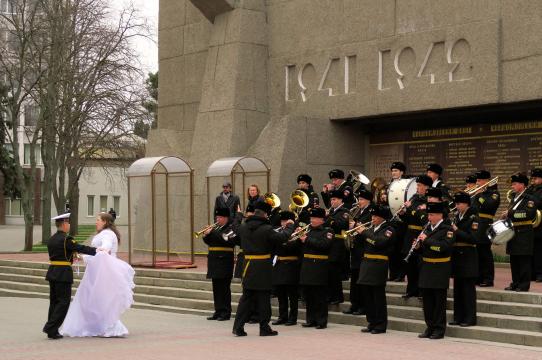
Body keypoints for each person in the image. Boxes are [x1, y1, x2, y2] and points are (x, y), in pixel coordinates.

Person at [60, 213, 135, 337]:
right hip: (96, 270)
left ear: (105, 222)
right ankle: (96, 325)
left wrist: (103, 250)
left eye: (98, 220)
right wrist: (83, 257)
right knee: (91, 298)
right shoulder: (104, 233)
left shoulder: (107, 234)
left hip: (103, 271)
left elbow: (106, 246)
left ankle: (109, 326)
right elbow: (97, 252)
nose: (96, 222)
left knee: (101, 297)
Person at [232, 202, 294, 337]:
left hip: (247, 265)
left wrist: (238, 214)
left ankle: (238, 327)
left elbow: (234, 226)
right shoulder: (266, 228)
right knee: (264, 298)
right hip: (263, 266)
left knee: (246, 298)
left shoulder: (243, 227)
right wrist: (290, 225)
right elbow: (283, 237)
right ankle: (264, 328)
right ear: (265, 214)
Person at [42, 213, 97, 340]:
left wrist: (73, 255)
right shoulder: (67, 239)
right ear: (64, 224)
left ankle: (53, 331)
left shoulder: (52, 239)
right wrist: (96, 251)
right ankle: (50, 327)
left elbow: (63, 253)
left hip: (53, 271)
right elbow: (80, 247)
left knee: (54, 302)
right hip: (63, 273)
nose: (69, 225)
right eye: (68, 223)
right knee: (64, 302)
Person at [416, 202, 454, 340]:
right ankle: (429, 326)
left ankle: (439, 329)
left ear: (440, 215)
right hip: (426, 268)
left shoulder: (447, 229)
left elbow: (443, 248)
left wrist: (426, 241)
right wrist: (418, 247)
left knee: (439, 301)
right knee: (427, 301)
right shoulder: (427, 228)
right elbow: (424, 249)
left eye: (431, 214)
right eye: (428, 214)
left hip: (440, 269)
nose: (429, 217)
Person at [358, 205, 395, 334]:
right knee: (367, 295)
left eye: (375, 216)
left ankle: (380, 324)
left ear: (382, 218)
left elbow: (379, 242)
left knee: (377, 296)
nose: (372, 218)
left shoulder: (388, 229)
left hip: (379, 264)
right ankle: (371, 321)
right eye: (372, 216)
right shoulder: (371, 228)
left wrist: (364, 232)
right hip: (366, 263)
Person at [298, 208, 333, 329]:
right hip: (307, 265)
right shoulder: (308, 230)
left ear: (321, 220)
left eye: (314, 218)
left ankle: (321, 321)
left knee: (320, 296)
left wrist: (306, 239)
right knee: (309, 295)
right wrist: (299, 235)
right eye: (311, 218)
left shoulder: (328, 231)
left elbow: (324, 245)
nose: (311, 220)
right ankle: (310, 319)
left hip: (319, 266)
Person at [449, 192, 478, 327]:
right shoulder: (456, 216)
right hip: (457, 256)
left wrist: (456, 230)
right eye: (456, 203)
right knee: (458, 289)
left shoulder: (474, 218)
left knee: (468, 290)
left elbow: (473, 238)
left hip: (467, 256)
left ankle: (469, 318)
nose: (456, 206)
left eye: (459, 203)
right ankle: (458, 317)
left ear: (466, 204)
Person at [504, 173, 537, 292]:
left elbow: (528, 213)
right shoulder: (514, 197)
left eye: (515, 184)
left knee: (523, 260)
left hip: (524, 232)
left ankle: (523, 285)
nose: (512, 186)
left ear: (522, 185)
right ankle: (515, 282)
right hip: (514, 232)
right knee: (514, 259)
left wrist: (510, 214)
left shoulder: (530, 198)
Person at [400, 175, 431, 299]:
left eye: (419, 185)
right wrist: (403, 213)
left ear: (426, 187)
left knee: (420, 264)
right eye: (417, 185)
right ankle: (411, 289)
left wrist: (412, 210)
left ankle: (422, 291)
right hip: (410, 234)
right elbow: (409, 218)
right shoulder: (414, 198)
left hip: (421, 233)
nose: (417, 188)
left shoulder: (429, 200)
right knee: (410, 264)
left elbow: (422, 218)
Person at [203, 207, 237, 321]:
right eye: (217, 217)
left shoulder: (231, 228)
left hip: (224, 260)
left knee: (224, 288)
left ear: (226, 218)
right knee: (216, 287)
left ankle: (226, 312)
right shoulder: (216, 228)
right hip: (214, 260)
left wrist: (212, 232)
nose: (218, 219)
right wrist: (206, 235)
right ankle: (218, 311)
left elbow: (227, 240)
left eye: (220, 217)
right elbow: (210, 242)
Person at [343, 189, 373, 315]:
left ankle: (363, 306)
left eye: (361, 200)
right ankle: (354, 304)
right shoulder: (358, 211)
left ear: (368, 200)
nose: (359, 202)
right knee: (354, 277)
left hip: (364, 248)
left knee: (361, 279)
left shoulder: (372, 212)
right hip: (356, 248)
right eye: (359, 199)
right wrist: (351, 226)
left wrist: (356, 225)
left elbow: (369, 228)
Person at [271, 211, 301, 326]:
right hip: (279, 264)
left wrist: (283, 243)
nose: (283, 223)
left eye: (286, 221)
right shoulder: (278, 232)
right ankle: (282, 316)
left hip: (291, 265)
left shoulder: (296, 232)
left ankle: (293, 318)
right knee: (281, 293)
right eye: (282, 221)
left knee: (292, 294)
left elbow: (294, 247)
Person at [471, 170, 500, 287]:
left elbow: (489, 205)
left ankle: (488, 278)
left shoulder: (493, 193)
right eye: (477, 180)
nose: (477, 182)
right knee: (476, 252)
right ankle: (478, 277)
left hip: (485, 225)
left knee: (485, 253)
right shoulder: (476, 193)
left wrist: (479, 195)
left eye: (479, 180)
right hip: (475, 225)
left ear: (487, 181)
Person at [325, 190, 349, 305]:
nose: (332, 201)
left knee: (335, 272)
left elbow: (341, 225)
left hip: (338, 243)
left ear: (340, 200)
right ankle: (330, 295)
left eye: (334, 199)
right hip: (329, 243)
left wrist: (328, 218)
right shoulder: (332, 211)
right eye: (331, 199)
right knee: (329, 272)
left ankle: (338, 296)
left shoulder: (344, 212)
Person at [527, 168, 542, 282]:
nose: (533, 180)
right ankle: (532, 273)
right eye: (532, 178)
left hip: (541, 224)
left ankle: (540, 274)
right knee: (531, 249)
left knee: (539, 250)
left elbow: (538, 202)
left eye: (535, 178)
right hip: (531, 223)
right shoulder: (531, 189)